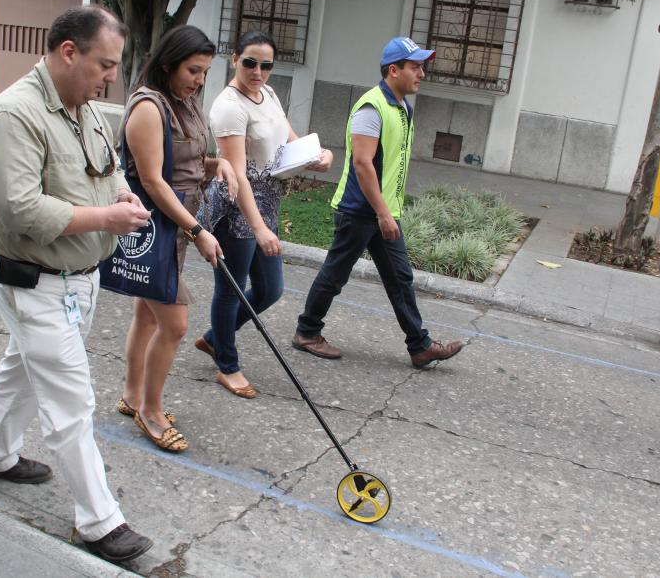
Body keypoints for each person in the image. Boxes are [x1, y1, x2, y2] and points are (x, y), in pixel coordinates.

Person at [0, 5, 154, 564]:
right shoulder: (14, 116)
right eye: (105, 64)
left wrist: (123, 195)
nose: (111, 77)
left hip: (73, 281)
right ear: (68, 52)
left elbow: (107, 167)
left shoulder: (84, 107)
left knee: (21, 368)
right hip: (33, 280)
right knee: (72, 400)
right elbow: (21, 210)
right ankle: (100, 521)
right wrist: (107, 221)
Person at [292, 37, 464, 369]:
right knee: (335, 274)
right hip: (360, 211)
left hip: (382, 212)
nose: (422, 74)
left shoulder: (401, 108)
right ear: (393, 70)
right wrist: (384, 213)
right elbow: (362, 164)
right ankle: (307, 332)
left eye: (422, 67)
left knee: (400, 277)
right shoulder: (372, 107)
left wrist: (387, 212)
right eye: (415, 67)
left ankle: (420, 345)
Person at [116, 25, 237, 451]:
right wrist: (199, 231)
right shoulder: (149, 107)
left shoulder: (182, 102)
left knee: (147, 316)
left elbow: (183, 163)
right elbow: (152, 180)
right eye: (193, 70)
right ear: (168, 63)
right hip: (157, 226)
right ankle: (151, 412)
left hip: (176, 224)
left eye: (204, 72)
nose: (199, 80)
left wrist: (215, 164)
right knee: (175, 322)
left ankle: (133, 396)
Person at [194, 31, 332, 398]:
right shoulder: (228, 107)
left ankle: (214, 338)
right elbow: (237, 173)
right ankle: (227, 364)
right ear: (235, 58)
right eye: (250, 62)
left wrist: (314, 155)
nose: (258, 71)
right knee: (232, 288)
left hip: (266, 199)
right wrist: (258, 228)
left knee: (270, 289)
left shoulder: (267, 93)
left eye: (266, 65)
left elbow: (286, 136)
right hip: (235, 205)